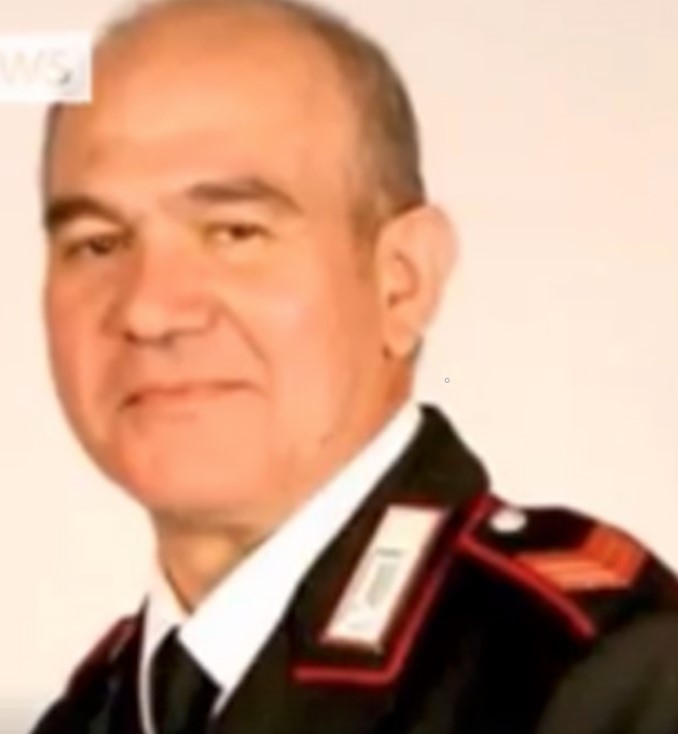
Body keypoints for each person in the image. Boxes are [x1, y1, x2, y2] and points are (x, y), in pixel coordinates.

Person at [30, 0, 678, 732]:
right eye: (97, 243)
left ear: (402, 282)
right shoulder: (86, 716)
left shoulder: (602, 677)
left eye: (235, 232)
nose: (149, 310)